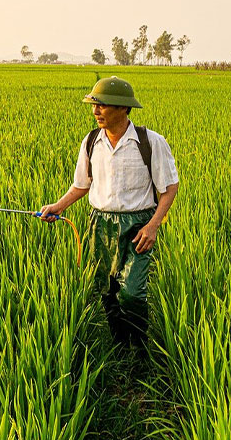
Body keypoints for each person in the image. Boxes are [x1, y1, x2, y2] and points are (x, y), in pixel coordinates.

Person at [39, 76, 179, 353]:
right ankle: (119, 345)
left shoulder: (149, 142)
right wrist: (58, 206)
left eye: (103, 105)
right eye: (94, 105)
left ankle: (139, 345)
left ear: (124, 108)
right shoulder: (92, 142)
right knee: (107, 290)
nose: (96, 111)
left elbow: (170, 187)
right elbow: (82, 185)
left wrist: (153, 225)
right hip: (100, 224)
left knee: (132, 294)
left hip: (138, 225)